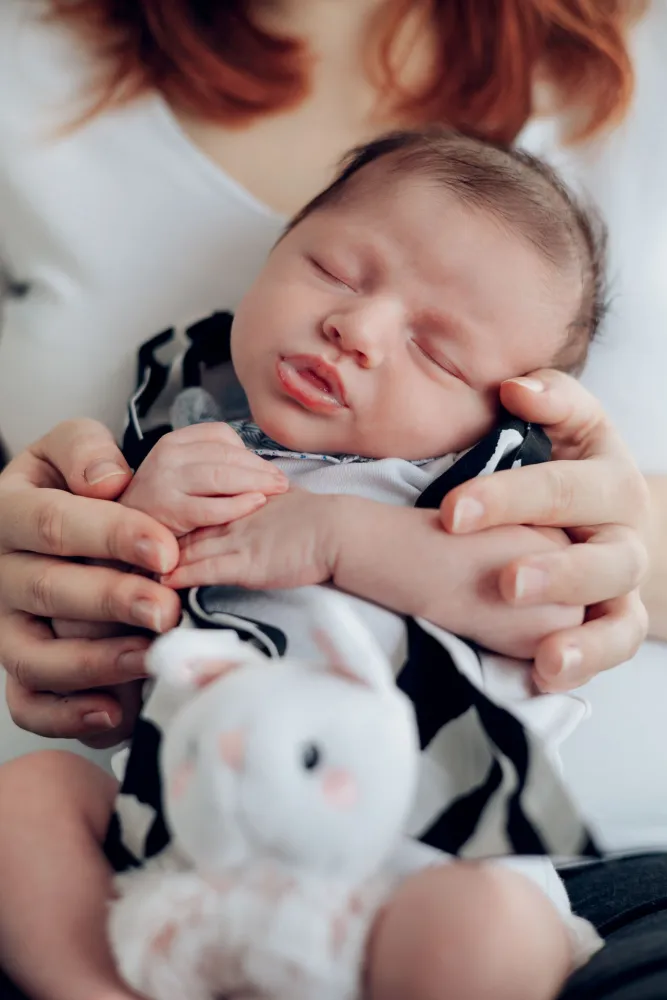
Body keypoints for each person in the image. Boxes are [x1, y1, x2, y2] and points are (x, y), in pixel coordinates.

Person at [0, 2, 663, 998]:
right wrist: (141, 511)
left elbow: (536, 602)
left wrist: (338, 540)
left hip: (419, 869)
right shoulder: (191, 425)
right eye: (333, 271)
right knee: (29, 799)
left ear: (504, 406)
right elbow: (120, 607)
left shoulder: (467, 485)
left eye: (436, 351)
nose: (359, 327)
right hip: (181, 854)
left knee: (491, 927)